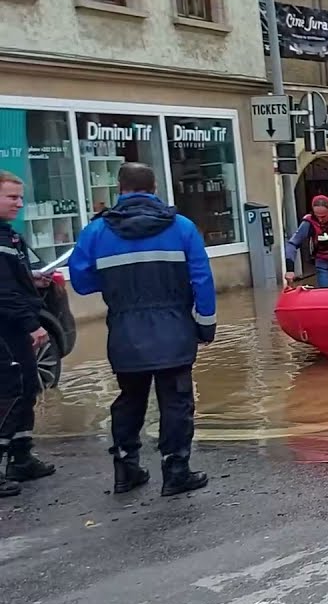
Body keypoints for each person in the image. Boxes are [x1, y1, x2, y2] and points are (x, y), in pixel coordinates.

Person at [68, 162, 215, 497]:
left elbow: (81, 282)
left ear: (120, 189)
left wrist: (118, 285)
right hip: (174, 329)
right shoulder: (182, 227)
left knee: (129, 399)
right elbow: (202, 280)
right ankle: (175, 471)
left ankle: (126, 469)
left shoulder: (96, 231)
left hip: (124, 332)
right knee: (176, 402)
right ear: (155, 188)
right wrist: (206, 325)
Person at [0, 171, 56, 497]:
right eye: (11, 197)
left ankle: (21, 457)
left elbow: (11, 280)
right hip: (5, 330)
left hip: (14, 329)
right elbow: (3, 293)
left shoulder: (9, 237)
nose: (19, 204)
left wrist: (31, 278)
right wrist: (31, 324)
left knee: (27, 387)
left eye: (20, 197)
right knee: (8, 393)